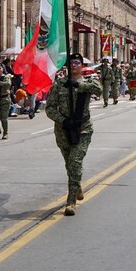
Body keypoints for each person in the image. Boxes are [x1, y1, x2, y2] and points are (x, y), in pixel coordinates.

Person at [46, 53, 102, 216]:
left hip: (83, 128)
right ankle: (76, 185)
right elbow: (49, 108)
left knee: (75, 162)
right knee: (69, 163)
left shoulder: (88, 82)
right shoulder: (59, 84)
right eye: (71, 63)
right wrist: (62, 121)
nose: (73, 65)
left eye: (77, 63)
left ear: (81, 66)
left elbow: (98, 89)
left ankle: (71, 202)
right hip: (64, 130)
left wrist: (78, 86)